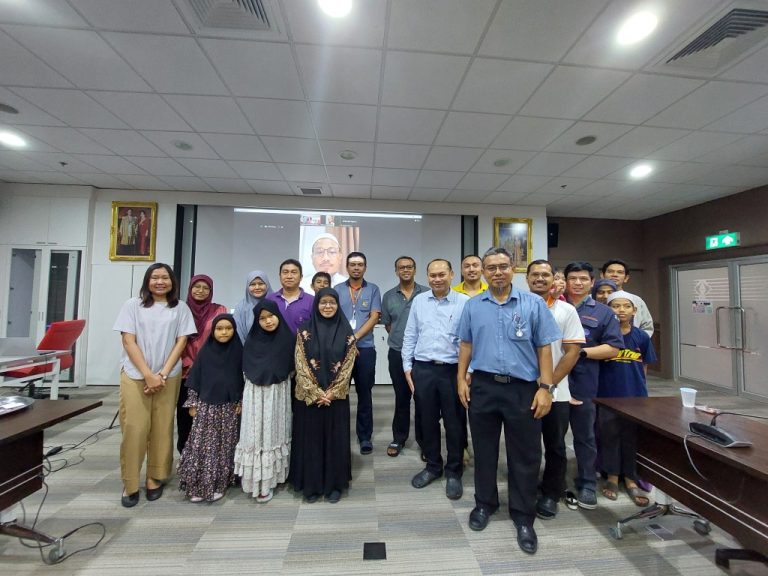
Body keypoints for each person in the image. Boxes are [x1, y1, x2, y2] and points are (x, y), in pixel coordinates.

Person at [457, 247, 561, 555]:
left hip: (523, 389)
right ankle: (484, 504)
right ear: (484, 272)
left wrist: (546, 388)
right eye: (491, 268)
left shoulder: (533, 304)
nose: (497, 272)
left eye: (503, 266)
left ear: (512, 268)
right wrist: (460, 379)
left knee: (525, 455)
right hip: (484, 387)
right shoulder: (473, 306)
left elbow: (544, 348)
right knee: (484, 450)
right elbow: (466, 344)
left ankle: (523, 516)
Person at [113, 263, 197, 508]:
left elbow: (181, 342)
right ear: (147, 281)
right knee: (135, 428)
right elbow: (128, 341)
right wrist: (148, 375)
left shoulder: (180, 308)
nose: (160, 282)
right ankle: (130, 482)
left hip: (168, 375)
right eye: (155, 278)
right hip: (135, 374)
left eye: (165, 278)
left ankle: (155, 477)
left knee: (162, 426)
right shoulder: (132, 305)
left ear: (172, 282)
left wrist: (162, 374)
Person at [402, 259, 468, 500]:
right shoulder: (419, 301)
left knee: (454, 423)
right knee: (427, 421)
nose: (437, 279)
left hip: (453, 371)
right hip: (424, 369)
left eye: (442, 274)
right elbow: (410, 334)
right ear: (427, 276)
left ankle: (454, 471)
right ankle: (433, 466)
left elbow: (471, 340)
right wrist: (407, 366)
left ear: (452, 275)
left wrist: (467, 374)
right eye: (433, 275)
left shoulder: (465, 302)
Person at [525, 260, 585, 520]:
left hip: (556, 391)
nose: (540, 278)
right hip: (523, 389)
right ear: (526, 278)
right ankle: (526, 488)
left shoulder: (566, 310)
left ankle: (551, 492)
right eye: (535, 274)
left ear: (554, 279)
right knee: (525, 445)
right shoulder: (518, 307)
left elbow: (572, 352)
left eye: (545, 274)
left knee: (555, 445)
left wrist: (547, 386)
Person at [564, 261, 623, 510]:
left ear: (592, 282)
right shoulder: (554, 306)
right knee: (552, 435)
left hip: (584, 381)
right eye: (573, 278)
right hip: (553, 381)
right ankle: (553, 480)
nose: (578, 283)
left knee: (584, 435)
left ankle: (587, 482)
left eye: (583, 279)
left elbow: (614, 347)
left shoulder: (603, 312)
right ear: (565, 281)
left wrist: (581, 353)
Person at [290, 288, 356, 503]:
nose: (328, 306)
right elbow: (300, 364)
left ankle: (334, 485)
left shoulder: (347, 333)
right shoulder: (303, 332)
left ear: (338, 305)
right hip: (310, 400)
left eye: (332, 303)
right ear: (316, 305)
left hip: (335, 400)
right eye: (323, 302)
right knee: (311, 441)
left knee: (335, 440)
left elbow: (348, 366)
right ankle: (312, 485)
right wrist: (316, 393)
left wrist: (333, 393)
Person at [598, 291, 656, 507]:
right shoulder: (603, 336)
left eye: (626, 306)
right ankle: (612, 476)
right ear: (608, 309)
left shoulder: (641, 337)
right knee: (609, 435)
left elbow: (644, 366)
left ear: (634, 310)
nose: (621, 310)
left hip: (635, 396)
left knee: (631, 436)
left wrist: (642, 391)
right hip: (607, 395)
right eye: (615, 306)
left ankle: (631, 477)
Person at [178, 314, 244, 503]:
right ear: (213, 331)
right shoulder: (205, 352)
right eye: (219, 329)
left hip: (228, 409)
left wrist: (240, 402)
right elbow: (194, 379)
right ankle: (196, 485)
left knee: (224, 447)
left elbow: (242, 381)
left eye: (228, 329)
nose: (224, 332)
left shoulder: (239, 352)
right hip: (206, 408)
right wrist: (192, 403)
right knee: (200, 447)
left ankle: (218, 484)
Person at [234, 300, 295, 502]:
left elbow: (292, 369)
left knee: (273, 434)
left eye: (271, 316)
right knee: (254, 436)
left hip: (277, 395)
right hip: (254, 396)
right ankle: (254, 481)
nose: (268, 321)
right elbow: (245, 369)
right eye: (262, 318)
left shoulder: (288, 339)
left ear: (278, 315)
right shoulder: (251, 341)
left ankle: (271, 481)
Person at [381, 256, 428, 458]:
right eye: (401, 268)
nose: (406, 270)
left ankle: (425, 442)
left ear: (415, 270)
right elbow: (388, 324)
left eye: (409, 267)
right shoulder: (389, 296)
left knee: (423, 399)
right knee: (402, 397)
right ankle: (399, 438)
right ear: (396, 271)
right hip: (397, 353)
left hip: (423, 355)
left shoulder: (426, 293)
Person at [335, 252, 381, 455]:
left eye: (360, 264)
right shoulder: (337, 290)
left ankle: (364, 437)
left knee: (365, 394)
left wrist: (355, 338)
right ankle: (340, 434)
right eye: (352, 264)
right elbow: (333, 317)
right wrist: (347, 340)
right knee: (340, 393)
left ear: (365, 267)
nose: (356, 268)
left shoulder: (373, 289)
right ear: (347, 267)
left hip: (366, 348)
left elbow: (374, 317)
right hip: (340, 349)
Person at [178, 274, 227, 453]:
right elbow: (173, 340)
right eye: (197, 287)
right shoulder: (180, 310)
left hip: (210, 373)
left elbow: (223, 339)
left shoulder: (219, 310)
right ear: (190, 289)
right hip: (185, 373)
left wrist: (203, 364)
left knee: (209, 418)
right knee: (185, 417)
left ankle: (206, 457)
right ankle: (185, 454)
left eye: (206, 288)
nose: (201, 291)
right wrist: (187, 362)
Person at [600, 259, 654, 336]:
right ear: (602, 275)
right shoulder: (591, 299)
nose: (614, 275)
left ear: (626, 278)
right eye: (610, 271)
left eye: (620, 272)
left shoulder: (637, 300)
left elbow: (647, 327)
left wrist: (637, 340)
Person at [267, 259, 314, 334]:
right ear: (280, 276)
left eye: (294, 272)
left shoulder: (312, 301)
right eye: (285, 272)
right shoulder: (269, 299)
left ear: (301, 277)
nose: (289, 276)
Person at [233, 270, 273, 344]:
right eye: (252, 284)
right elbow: (238, 333)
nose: (257, 287)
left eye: (261, 283)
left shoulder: (276, 303)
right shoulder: (240, 307)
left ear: (267, 284)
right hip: (247, 349)